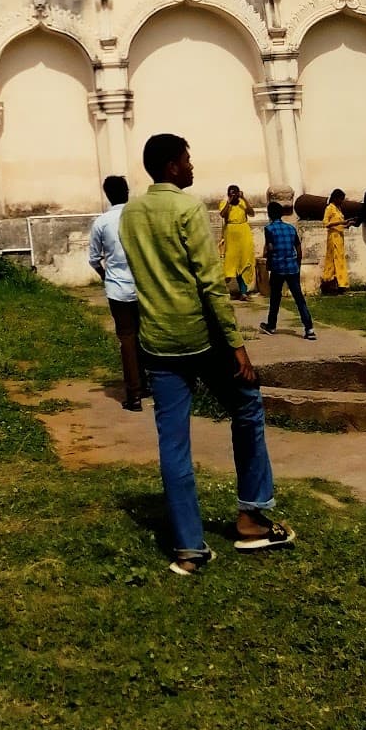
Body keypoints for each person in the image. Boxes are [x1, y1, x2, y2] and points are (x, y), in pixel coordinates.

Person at [120, 133, 294, 577]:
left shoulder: (130, 214)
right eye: (187, 159)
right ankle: (252, 516)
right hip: (200, 336)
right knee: (248, 405)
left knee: (173, 443)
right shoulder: (186, 208)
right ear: (172, 167)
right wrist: (237, 345)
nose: (192, 166)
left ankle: (188, 549)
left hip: (156, 340)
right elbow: (210, 282)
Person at [87, 174, 149, 411]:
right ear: (127, 191)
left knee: (127, 340)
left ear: (107, 195)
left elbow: (94, 259)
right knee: (146, 337)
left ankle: (133, 395)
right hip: (143, 287)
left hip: (118, 289)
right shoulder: (140, 217)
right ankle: (148, 384)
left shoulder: (102, 222)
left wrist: (106, 277)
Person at [259, 201, 316, 340]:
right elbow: (298, 249)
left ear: (270, 214)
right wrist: (297, 265)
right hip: (292, 267)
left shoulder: (269, 229)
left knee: (275, 298)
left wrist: (268, 262)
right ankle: (309, 329)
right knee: (299, 299)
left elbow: (270, 248)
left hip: (278, 267)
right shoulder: (291, 228)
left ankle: (271, 326)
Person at [218, 184, 256, 300]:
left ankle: (243, 292)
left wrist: (243, 198)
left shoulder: (242, 203)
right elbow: (222, 214)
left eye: (235, 193)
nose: (233, 195)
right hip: (231, 233)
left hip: (244, 232)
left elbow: (251, 213)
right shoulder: (224, 203)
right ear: (228, 194)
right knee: (230, 261)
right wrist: (229, 202)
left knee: (243, 261)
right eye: (231, 193)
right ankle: (225, 290)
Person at [320, 189, 350, 294]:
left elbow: (339, 224)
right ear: (336, 198)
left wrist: (347, 224)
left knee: (340, 261)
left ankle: (340, 284)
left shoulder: (338, 209)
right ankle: (331, 283)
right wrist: (340, 222)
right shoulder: (330, 208)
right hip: (333, 237)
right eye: (341, 199)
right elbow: (326, 223)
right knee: (333, 261)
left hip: (340, 237)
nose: (342, 201)